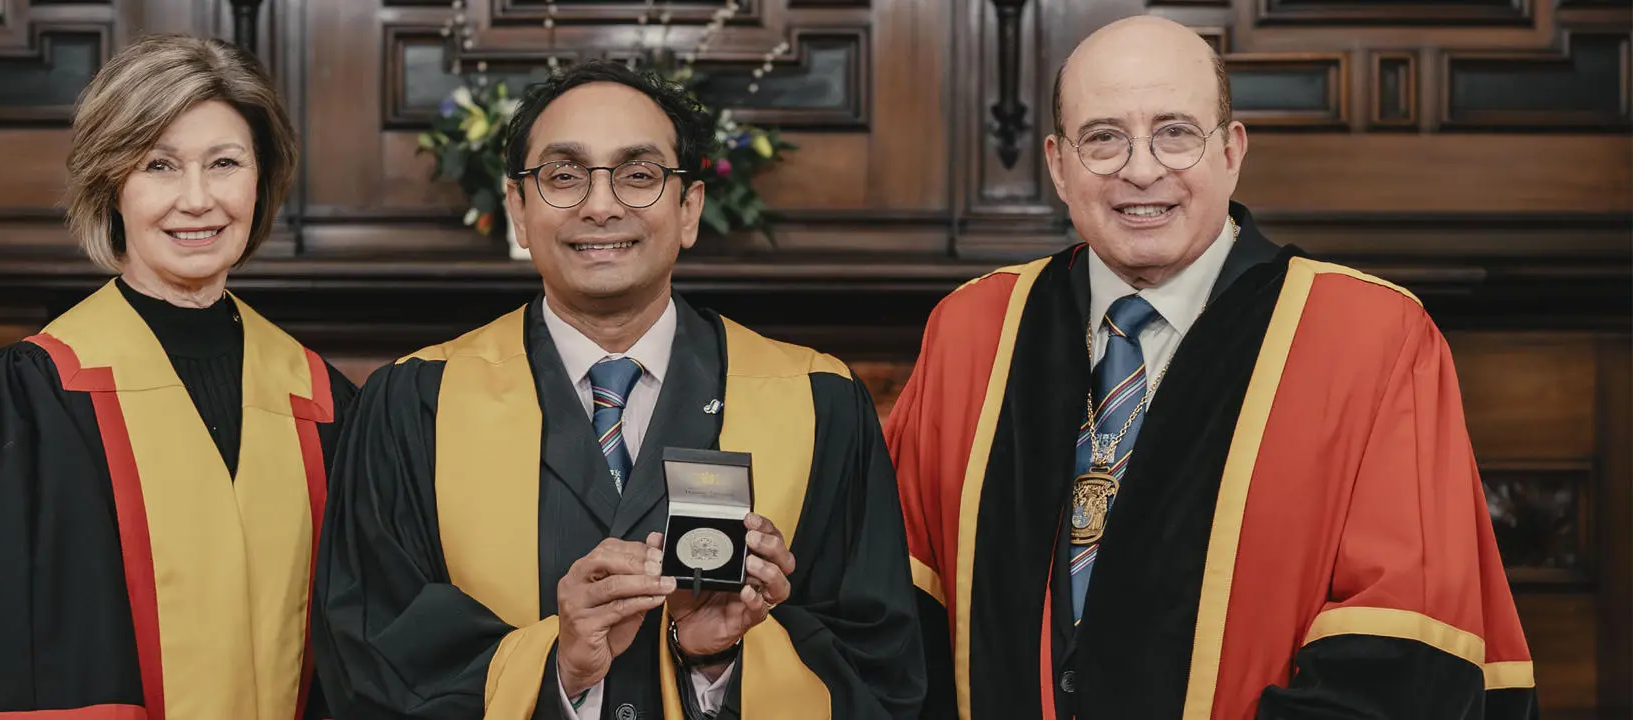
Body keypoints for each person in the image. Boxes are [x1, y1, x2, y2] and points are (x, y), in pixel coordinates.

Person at [885, 15, 1536, 720]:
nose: (1141, 168)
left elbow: (1401, 651)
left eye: (1176, 132)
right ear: (1058, 164)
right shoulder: (973, 331)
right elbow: (892, 614)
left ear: (1231, 150)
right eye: (1104, 137)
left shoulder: (1372, 339)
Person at [310, 60, 923, 720]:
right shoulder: (413, 407)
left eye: (638, 175)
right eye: (564, 176)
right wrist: (561, 666)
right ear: (518, 209)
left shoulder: (817, 403)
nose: (600, 206)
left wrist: (714, 663)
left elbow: (881, 676)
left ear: (689, 208)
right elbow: (369, 670)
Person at [0, 34, 356, 720]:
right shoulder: (28, 404)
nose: (197, 200)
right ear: (111, 184)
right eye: (159, 165)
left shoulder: (326, 404)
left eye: (224, 163)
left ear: (261, 177)